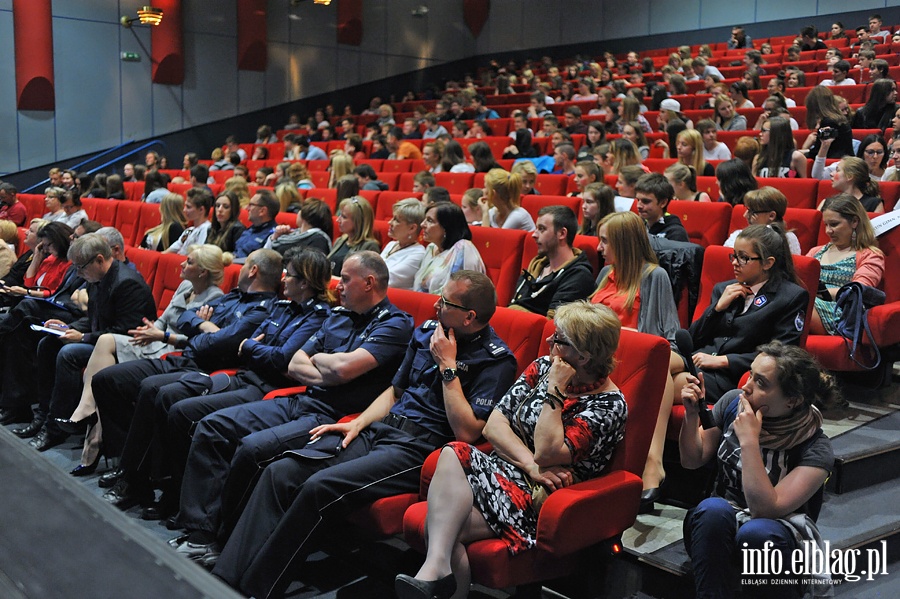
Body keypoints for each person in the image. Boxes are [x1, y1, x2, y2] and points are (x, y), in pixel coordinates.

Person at [205, 271, 517, 597]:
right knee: (280, 471)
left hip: (419, 448)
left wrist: (448, 367)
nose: (436, 304)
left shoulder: (496, 360)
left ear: (469, 316)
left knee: (318, 487)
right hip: (381, 428)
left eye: (446, 302)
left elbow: (466, 432)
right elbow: (394, 393)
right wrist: (359, 422)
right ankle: (225, 577)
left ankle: (256, 589)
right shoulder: (427, 332)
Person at [170, 252, 415, 570]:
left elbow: (343, 370)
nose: (338, 285)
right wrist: (326, 369)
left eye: (347, 279)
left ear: (369, 283)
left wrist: (323, 364)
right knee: (213, 426)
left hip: (333, 415)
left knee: (251, 449)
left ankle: (222, 540)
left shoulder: (395, 324)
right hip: (301, 399)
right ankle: (200, 532)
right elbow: (294, 361)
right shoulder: (338, 315)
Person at [396, 301, 626, 599]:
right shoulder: (543, 366)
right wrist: (530, 465)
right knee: (451, 461)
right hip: (506, 473)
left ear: (583, 357)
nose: (548, 342)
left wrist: (555, 391)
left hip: (541, 499)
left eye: (559, 340)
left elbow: (547, 451)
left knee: (439, 523)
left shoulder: (609, 406)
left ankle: (435, 573)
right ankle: (436, 572)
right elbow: (494, 425)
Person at [93, 250, 283, 509]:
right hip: (183, 356)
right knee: (107, 380)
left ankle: (135, 481)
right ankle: (130, 460)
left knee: (152, 390)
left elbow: (222, 343)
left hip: (207, 369)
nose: (236, 268)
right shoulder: (232, 297)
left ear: (253, 271)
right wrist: (205, 327)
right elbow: (185, 318)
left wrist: (202, 327)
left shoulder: (262, 309)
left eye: (244, 264)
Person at [680, 341, 837, 599]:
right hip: (717, 529)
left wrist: (750, 442)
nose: (746, 386)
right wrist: (690, 415)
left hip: (777, 541)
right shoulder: (733, 404)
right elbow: (692, 459)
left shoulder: (815, 447)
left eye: (761, 383)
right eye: (751, 374)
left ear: (792, 400)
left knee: (756, 532)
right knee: (712, 509)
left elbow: (764, 510)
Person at [58, 245, 227, 475]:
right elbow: (163, 319)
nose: (181, 264)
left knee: (104, 365)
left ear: (203, 271)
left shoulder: (216, 298)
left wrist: (161, 335)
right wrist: (149, 331)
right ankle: (86, 411)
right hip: (155, 341)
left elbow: (201, 341)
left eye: (188, 262)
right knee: (106, 341)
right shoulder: (186, 286)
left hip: (173, 352)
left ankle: (93, 441)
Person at [13, 233, 157, 451]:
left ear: (99, 259)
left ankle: (55, 428)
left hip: (125, 348)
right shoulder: (97, 278)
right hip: (102, 340)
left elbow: (125, 332)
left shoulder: (127, 284)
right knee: (48, 343)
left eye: (81, 267)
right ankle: (43, 415)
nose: (78, 273)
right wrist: (68, 328)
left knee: (68, 353)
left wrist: (82, 337)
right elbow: (93, 320)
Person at [592, 211, 680, 500]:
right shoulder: (606, 274)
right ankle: (651, 465)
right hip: (605, 359)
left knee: (661, 368)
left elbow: (668, 339)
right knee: (668, 377)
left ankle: (653, 460)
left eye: (605, 241)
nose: (598, 248)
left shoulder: (655, 276)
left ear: (624, 242)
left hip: (645, 357)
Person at [675, 225, 809, 405]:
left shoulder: (790, 297)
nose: (735, 262)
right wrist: (717, 309)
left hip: (734, 375)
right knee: (658, 362)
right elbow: (691, 339)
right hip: (697, 359)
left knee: (665, 381)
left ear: (768, 263)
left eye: (744, 258)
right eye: (734, 255)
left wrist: (724, 361)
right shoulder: (724, 289)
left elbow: (783, 354)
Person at [807, 195, 884, 335]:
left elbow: (858, 290)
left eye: (834, 224)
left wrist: (821, 293)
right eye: (826, 224)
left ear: (854, 221)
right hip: (810, 303)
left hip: (839, 312)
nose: (828, 231)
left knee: (799, 301)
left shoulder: (870, 255)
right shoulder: (815, 252)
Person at [509, 206, 595, 317]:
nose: (534, 234)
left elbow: (553, 325)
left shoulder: (579, 276)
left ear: (562, 234)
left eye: (542, 229)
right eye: (536, 228)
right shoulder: (536, 266)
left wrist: (513, 310)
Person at [414, 202, 485, 295]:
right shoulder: (431, 247)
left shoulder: (463, 248)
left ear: (446, 227)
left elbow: (471, 291)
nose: (422, 224)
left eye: (430, 220)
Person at [725, 187, 802, 255]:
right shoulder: (738, 234)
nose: (745, 215)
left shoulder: (787, 238)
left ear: (771, 216)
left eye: (752, 212)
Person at [327, 196, 380, 276]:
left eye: (344, 217)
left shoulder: (369, 247)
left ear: (358, 222)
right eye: (340, 215)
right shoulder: (340, 240)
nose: (338, 220)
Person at [381, 198, 426, 289]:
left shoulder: (418, 254)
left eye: (396, 220)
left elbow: (387, 280)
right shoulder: (391, 245)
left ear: (412, 228)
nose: (390, 222)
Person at [266, 197, 333, 256]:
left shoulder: (318, 240)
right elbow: (266, 253)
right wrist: (275, 236)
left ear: (304, 215)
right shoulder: (294, 233)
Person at [635, 173, 689, 242]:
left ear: (663, 203)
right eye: (638, 200)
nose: (639, 206)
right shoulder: (638, 227)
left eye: (646, 201)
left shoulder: (676, 233)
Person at [803, 86, 853, 159]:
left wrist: (803, 150)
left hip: (834, 162)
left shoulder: (828, 122)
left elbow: (817, 152)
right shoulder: (838, 119)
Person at [819, 157, 884, 213]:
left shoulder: (874, 204)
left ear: (849, 176)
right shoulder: (826, 203)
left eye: (837, 170)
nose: (831, 174)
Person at [165, 188, 214, 255]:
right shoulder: (189, 230)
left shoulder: (207, 229)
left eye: (188, 207)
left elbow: (198, 256)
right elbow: (171, 250)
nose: (184, 210)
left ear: (201, 210)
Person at [234, 191, 278, 259]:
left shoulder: (272, 237)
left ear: (262, 211)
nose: (247, 208)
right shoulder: (249, 229)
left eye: (251, 205)